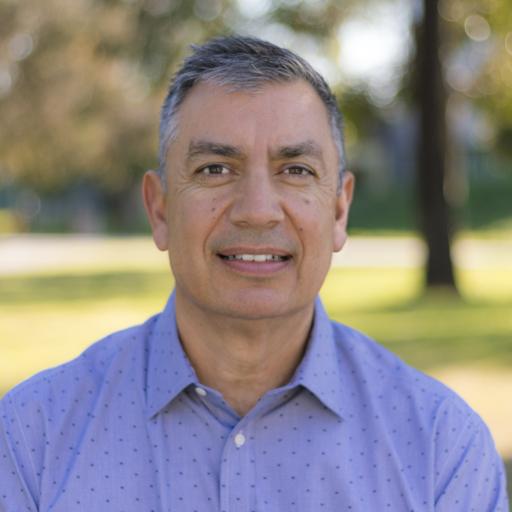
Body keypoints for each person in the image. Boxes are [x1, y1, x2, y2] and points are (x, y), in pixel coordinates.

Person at [0, 36, 508, 512]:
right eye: (215, 169)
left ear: (339, 211)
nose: (258, 211)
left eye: (296, 170)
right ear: (159, 210)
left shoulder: (442, 448)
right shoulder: (32, 438)